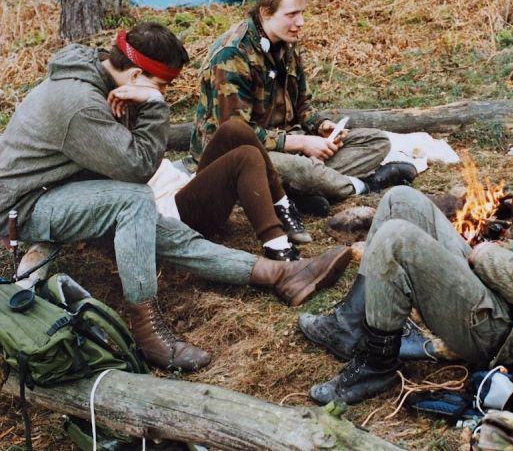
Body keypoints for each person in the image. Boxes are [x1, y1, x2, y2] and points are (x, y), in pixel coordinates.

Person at [0, 23, 352, 373]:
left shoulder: (98, 75)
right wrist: (153, 106)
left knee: (161, 228)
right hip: (24, 207)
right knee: (134, 199)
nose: (163, 93)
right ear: (135, 73)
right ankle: (148, 332)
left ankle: (279, 274)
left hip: (61, 188)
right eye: (161, 86)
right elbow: (137, 168)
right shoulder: (79, 104)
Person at [299, 112, 513, 404]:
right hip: (503, 298)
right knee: (400, 200)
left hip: (506, 331)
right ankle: (346, 326)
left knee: (395, 240)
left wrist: (488, 255)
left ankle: (376, 366)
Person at [190, 0, 417, 216]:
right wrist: (301, 143)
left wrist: (322, 126)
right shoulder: (233, 54)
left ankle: (297, 191)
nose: (301, 22)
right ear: (265, 12)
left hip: (289, 145)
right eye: (291, 15)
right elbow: (235, 133)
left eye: (302, 13)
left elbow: (302, 107)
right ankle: (363, 185)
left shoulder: (287, 43)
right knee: (303, 170)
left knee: (375, 142)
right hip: (238, 156)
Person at [150, 117, 313, 260]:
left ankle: (282, 204)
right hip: (172, 214)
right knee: (246, 157)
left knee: (234, 128)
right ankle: (277, 247)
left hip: (179, 185)